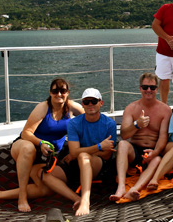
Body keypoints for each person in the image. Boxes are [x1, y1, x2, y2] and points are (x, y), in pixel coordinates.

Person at [0, 78, 83, 212]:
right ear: (50, 92)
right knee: (28, 148)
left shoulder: (72, 107)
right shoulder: (43, 107)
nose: (59, 94)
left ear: (67, 92)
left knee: (45, 189)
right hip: (25, 147)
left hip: (47, 158)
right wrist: (41, 143)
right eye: (55, 91)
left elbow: (89, 120)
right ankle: (22, 197)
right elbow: (26, 133)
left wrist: (76, 151)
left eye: (63, 90)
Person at [42, 88, 117, 216]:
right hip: (77, 164)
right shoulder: (74, 123)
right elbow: (74, 151)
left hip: (97, 165)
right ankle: (77, 199)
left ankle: (86, 201)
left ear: (101, 103)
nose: (90, 104)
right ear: (82, 104)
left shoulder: (109, 124)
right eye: (86, 102)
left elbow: (107, 154)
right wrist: (99, 146)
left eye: (94, 101)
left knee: (83, 156)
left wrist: (81, 153)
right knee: (44, 175)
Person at [109, 73, 172, 202]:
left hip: (153, 151)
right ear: (140, 89)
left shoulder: (165, 110)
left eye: (152, 87)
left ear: (157, 89)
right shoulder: (131, 108)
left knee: (157, 160)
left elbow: (163, 136)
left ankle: (134, 189)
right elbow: (125, 135)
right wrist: (137, 125)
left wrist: (155, 153)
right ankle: (121, 187)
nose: (148, 90)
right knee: (122, 144)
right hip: (135, 150)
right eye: (145, 87)